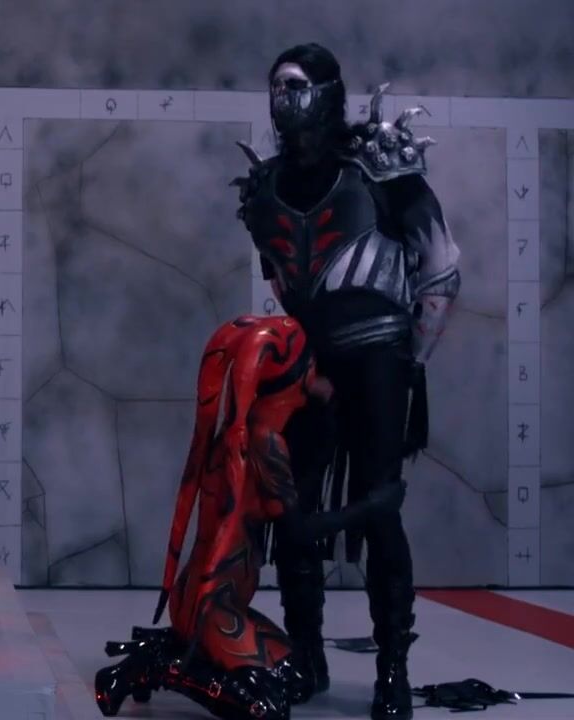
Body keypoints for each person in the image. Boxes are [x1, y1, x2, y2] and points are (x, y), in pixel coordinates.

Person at [231, 43, 462, 720]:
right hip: (306, 366)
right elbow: (281, 277)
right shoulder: (266, 189)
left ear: (329, 92)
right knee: (291, 509)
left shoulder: (380, 164)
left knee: (378, 508)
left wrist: (411, 360)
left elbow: (440, 265)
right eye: (277, 86)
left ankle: (393, 670)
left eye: (298, 85)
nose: (285, 99)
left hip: (380, 360)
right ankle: (306, 656)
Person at [93, 315, 404, 720]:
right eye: (313, 364)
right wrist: (373, 506)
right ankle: (160, 667)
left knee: (299, 676)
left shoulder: (243, 434)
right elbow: (298, 532)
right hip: (214, 608)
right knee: (270, 707)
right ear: (297, 374)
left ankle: (168, 648)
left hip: (206, 599)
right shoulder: (264, 444)